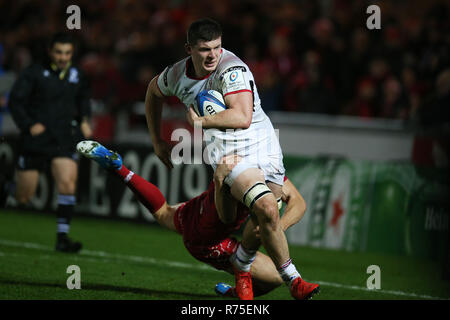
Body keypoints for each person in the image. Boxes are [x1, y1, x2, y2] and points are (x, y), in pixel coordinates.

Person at [144, 17, 302, 300]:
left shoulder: (232, 69)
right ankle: (291, 279)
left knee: (265, 213)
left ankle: (242, 267)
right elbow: (153, 93)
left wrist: (201, 121)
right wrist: (157, 140)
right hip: (230, 156)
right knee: (256, 210)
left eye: (217, 47)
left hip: (261, 149)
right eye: (205, 49)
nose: (213, 55)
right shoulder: (176, 75)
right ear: (188, 49)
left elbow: (242, 117)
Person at [76, 140, 320, 300]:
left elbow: (299, 202)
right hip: (208, 236)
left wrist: (276, 227)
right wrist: (219, 183)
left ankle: (120, 170)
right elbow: (227, 216)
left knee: (164, 213)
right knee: (276, 276)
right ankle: (235, 291)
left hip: (199, 209)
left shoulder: (264, 167)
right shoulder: (236, 169)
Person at [7, 32, 92, 253]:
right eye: (59, 52)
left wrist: (84, 119)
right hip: (37, 139)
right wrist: (28, 125)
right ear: (50, 52)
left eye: (67, 53)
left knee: (67, 184)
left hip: (64, 137)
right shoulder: (34, 73)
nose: (63, 57)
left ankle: (62, 237)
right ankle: (7, 185)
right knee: (24, 197)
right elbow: (16, 101)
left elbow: (83, 98)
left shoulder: (77, 74)